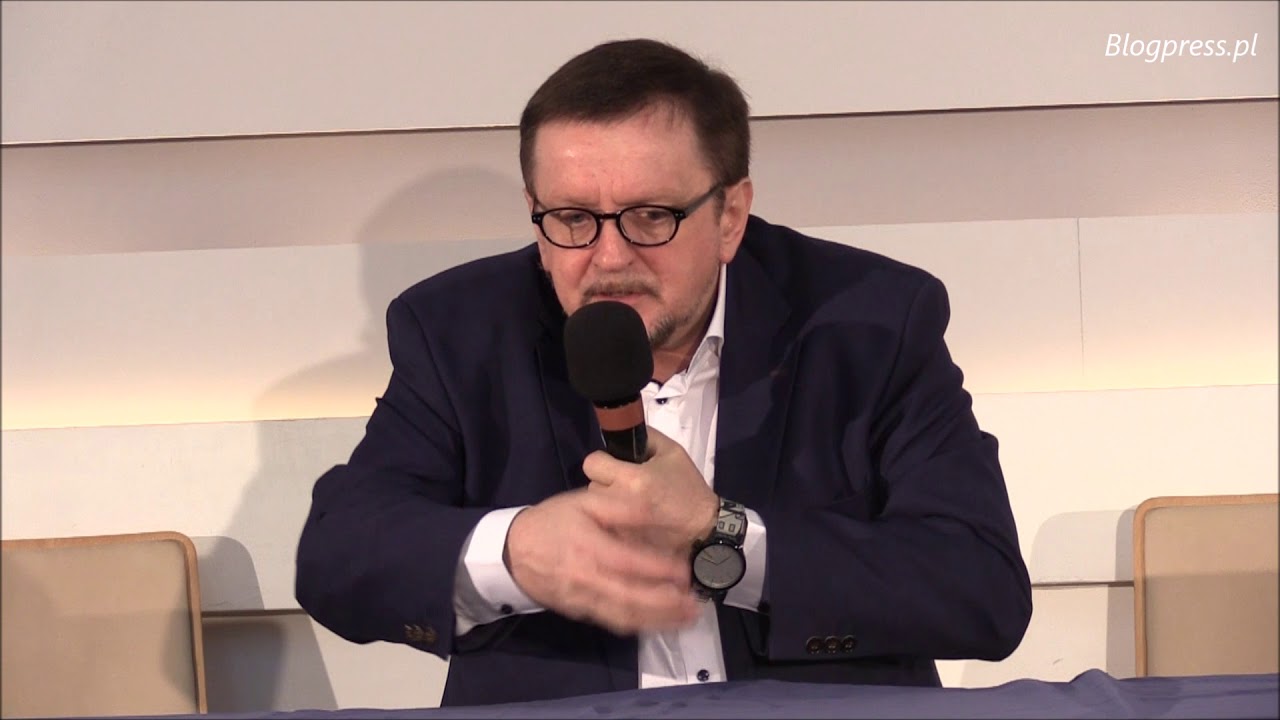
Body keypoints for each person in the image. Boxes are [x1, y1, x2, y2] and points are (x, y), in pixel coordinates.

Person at [295, 38, 1032, 707]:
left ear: (730, 215)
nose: (609, 258)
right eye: (573, 218)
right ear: (535, 216)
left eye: (650, 216)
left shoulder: (872, 322)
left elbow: (981, 587)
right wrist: (517, 552)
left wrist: (726, 538)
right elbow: (339, 553)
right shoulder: (459, 331)